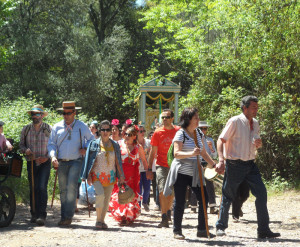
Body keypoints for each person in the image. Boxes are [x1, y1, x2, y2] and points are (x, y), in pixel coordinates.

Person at [215, 95, 280, 239]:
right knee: (228, 196)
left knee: (262, 193)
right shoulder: (234, 121)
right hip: (234, 164)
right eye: (253, 107)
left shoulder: (255, 123)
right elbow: (221, 140)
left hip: (251, 164)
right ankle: (220, 226)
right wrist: (221, 160)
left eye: (257, 107)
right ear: (245, 108)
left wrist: (259, 144)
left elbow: (256, 143)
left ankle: (263, 229)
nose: (256, 110)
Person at [164, 107, 217, 239]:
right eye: (196, 118)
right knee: (180, 201)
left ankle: (202, 230)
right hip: (181, 172)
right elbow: (176, 154)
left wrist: (214, 165)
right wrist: (191, 153)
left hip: (196, 172)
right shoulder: (180, 134)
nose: (198, 120)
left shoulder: (198, 133)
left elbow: (203, 152)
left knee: (204, 199)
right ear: (188, 120)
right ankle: (177, 231)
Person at [48, 101, 94, 226]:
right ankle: (64, 216)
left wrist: (85, 148)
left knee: (71, 188)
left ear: (74, 113)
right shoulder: (57, 127)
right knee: (63, 190)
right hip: (61, 161)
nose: (66, 116)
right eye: (64, 113)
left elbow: (92, 140)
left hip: (76, 161)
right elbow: (51, 144)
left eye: (69, 113)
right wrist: (52, 157)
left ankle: (68, 216)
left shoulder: (81, 126)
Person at [81, 120, 125, 229]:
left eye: (107, 130)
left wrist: (121, 176)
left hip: (110, 176)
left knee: (106, 200)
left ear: (110, 131)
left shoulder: (115, 145)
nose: (105, 132)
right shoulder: (93, 144)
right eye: (103, 129)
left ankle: (102, 220)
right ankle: (98, 220)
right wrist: (87, 175)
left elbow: (118, 161)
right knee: (100, 195)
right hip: (97, 176)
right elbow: (88, 160)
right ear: (99, 131)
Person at [109, 126, 152, 226]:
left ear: (134, 136)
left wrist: (148, 171)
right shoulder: (119, 144)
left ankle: (129, 216)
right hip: (121, 173)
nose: (127, 136)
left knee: (131, 195)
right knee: (120, 193)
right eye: (126, 134)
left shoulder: (138, 147)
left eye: (130, 135)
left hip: (133, 175)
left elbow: (144, 161)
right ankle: (121, 216)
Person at [19, 105, 51, 226]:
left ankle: (42, 215)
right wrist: (25, 150)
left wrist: (47, 157)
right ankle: (34, 213)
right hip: (31, 162)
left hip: (45, 162)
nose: (34, 116)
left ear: (42, 115)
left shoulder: (48, 129)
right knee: (33, 187)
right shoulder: (26, 129)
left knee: (42, 187)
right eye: (33, 114)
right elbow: (21, 145)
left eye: (37, 114)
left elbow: (53, 145)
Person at [148, 109, 179, 228]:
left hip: (175, 165)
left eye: (167, 117)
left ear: (172, 119)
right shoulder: (157, 132)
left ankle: (168, 210)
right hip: (161, 164)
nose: (165, 119)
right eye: (163, 117)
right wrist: (149, 169)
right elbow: (153, 151)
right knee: (161, 191)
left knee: (171, 192)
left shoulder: (178, 131)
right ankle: (164, 216)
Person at [198, 121, 219, 214]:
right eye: (201, 128)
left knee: (209, 183)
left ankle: (212, 206)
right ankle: (194, 205)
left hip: (208, 163)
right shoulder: (194, 139)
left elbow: (214, 155)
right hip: (197, 163)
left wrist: (211, 147)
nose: (203, 130)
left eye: (205, 128)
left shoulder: (210, 140)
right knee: (196, 184)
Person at [137, 125, 151, 212]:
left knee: (147, 188)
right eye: (140, 131)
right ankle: (138, 207)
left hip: (146, 169)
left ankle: (145, 202)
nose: (142, 133)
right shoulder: (134, 143)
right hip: (137, 169)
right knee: (138, 189)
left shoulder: (148, 142)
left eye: (143, 131)